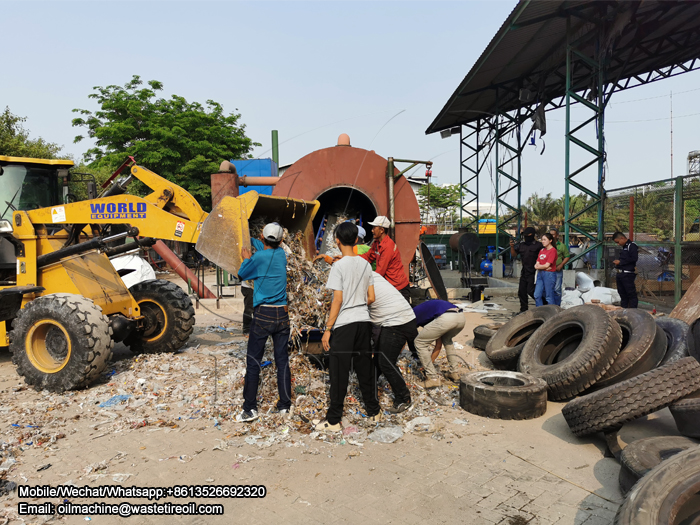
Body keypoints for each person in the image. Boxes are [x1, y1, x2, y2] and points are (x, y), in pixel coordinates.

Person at [316, 222, 382, 431]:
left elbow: (337, 300)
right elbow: (371, 297)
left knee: (339, 372)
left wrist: (328, 328)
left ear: (336, 240)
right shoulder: (364, 264)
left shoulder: (338, 266)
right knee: (365, 369)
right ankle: (374, 411)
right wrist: (359, 305)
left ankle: (334, 420)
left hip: (344, 325)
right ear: (356, 240)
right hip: (363, 322)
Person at [236, 223, 291, 422]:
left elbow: (242, 274)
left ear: (261, 236)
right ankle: (285, 405)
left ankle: (250, 409)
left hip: (263, 314)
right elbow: (268, 250)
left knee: (253, 362)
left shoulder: (257, 258)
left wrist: (245, 258)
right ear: (281, 241)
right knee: (282, 360)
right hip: (282, 315)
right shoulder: (282, 255)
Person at [369, 272, 417, 413]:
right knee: (378, 359)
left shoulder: (360, 279)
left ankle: (403, 398)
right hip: (399, 319)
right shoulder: (367, 273)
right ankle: (369, 389)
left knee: (385, 362)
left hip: (397, 322)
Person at [412, 299, 466, 388]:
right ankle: (454, 372)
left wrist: (427, 366)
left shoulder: (413, 315)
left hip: (446, 318)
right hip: (460, 317)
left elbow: (404, 336)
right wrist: (429, 363)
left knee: (419, 342)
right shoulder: (428, 311)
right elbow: (438, 344)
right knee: (447, 340)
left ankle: (432, 378)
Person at [361, 216, 410, 302]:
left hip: (398, 288)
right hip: (390, 286)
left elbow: (380, 272)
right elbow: (367, 257)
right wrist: (349, 257)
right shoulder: (376, 243)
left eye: (374, 228)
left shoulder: (387, 246)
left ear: (382, 230)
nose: (372, 231)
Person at [509, 227, 543, 312]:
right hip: (524, 271)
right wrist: (512, 247)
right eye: (525, 235)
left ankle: (543, 304)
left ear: (532, 235)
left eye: (528, 235)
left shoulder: (539, 245)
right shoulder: (521, 245)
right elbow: (514, 255)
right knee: (522, 291)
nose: (526, 237)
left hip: (534, 272)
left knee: (531, 291)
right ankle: (523, 310)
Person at [613, 232, 638, 308]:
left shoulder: (632, 246)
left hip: (627, 274)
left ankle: (633, 311)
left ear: (622, 238)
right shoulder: (624, 247)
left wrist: (621, 262)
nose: (618, 244)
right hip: (620, 274)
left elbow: (634, 258)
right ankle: (623, 310)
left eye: (618, 242)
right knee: (622, 294)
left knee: (630, 294)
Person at [534, 233, 558, 307]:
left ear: (550, 240)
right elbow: (536, 264)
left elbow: (547, 265)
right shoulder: (542, 250)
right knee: (537, 295)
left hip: (549, 274)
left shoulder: (553, 251)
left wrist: (541, 266)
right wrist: (542, 267)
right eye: (542, 240)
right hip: (540, 273)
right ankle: (540, 311)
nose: (543, 241)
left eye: (545, 240)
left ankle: (551, 313)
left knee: (549, 296)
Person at [549, 228, 571, 306]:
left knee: (557, 290)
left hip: (557, 271)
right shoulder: (546, 245)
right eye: (550, 234)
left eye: (553, 234)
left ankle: (557, 306)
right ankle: (549, 306)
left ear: (557, 236)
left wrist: (561, 265)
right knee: (548, 289)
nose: (551, 236)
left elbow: (567, 256)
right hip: (547, 271)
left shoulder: (562, 246)